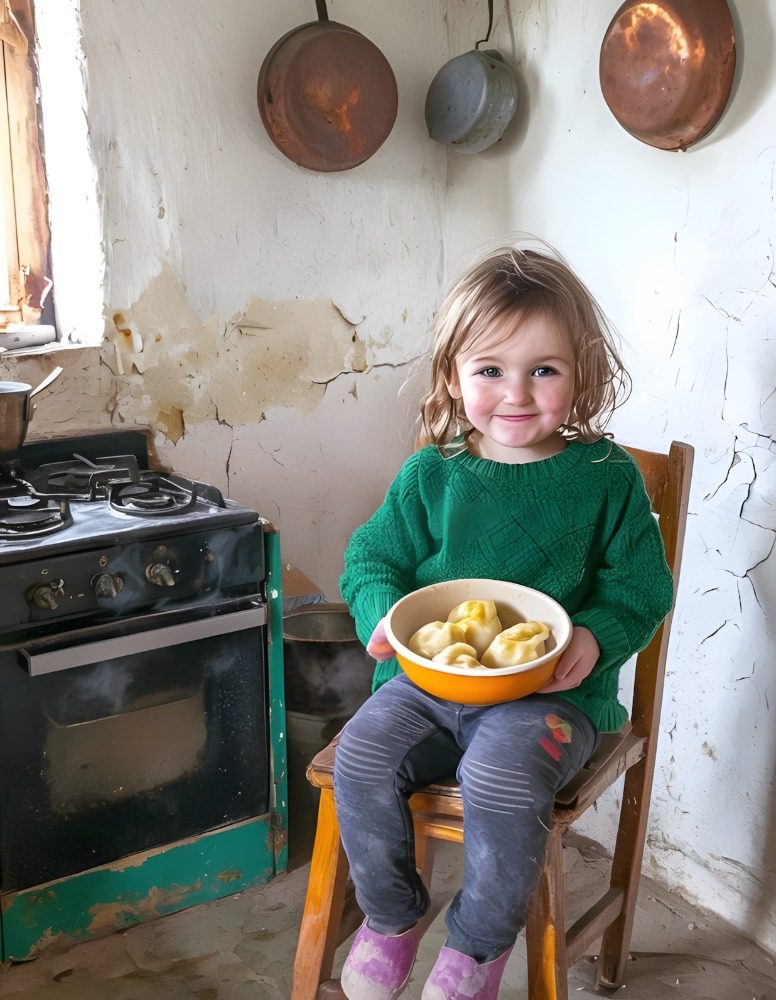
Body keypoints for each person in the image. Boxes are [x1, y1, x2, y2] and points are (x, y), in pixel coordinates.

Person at [333, 242, 674, 1000]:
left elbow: (642, 587)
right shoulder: (433, 473)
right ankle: (391, 918)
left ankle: (478, 949)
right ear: (453, 376)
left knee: (501, 777)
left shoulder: (605, 479)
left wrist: (596, 635)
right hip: (426, 685)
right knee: (360, 758)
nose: (515, 394)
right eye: (490, 369)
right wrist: (381, 614)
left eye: (543, 370)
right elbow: (371, 558)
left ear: (581, 373)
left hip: (551, 696)